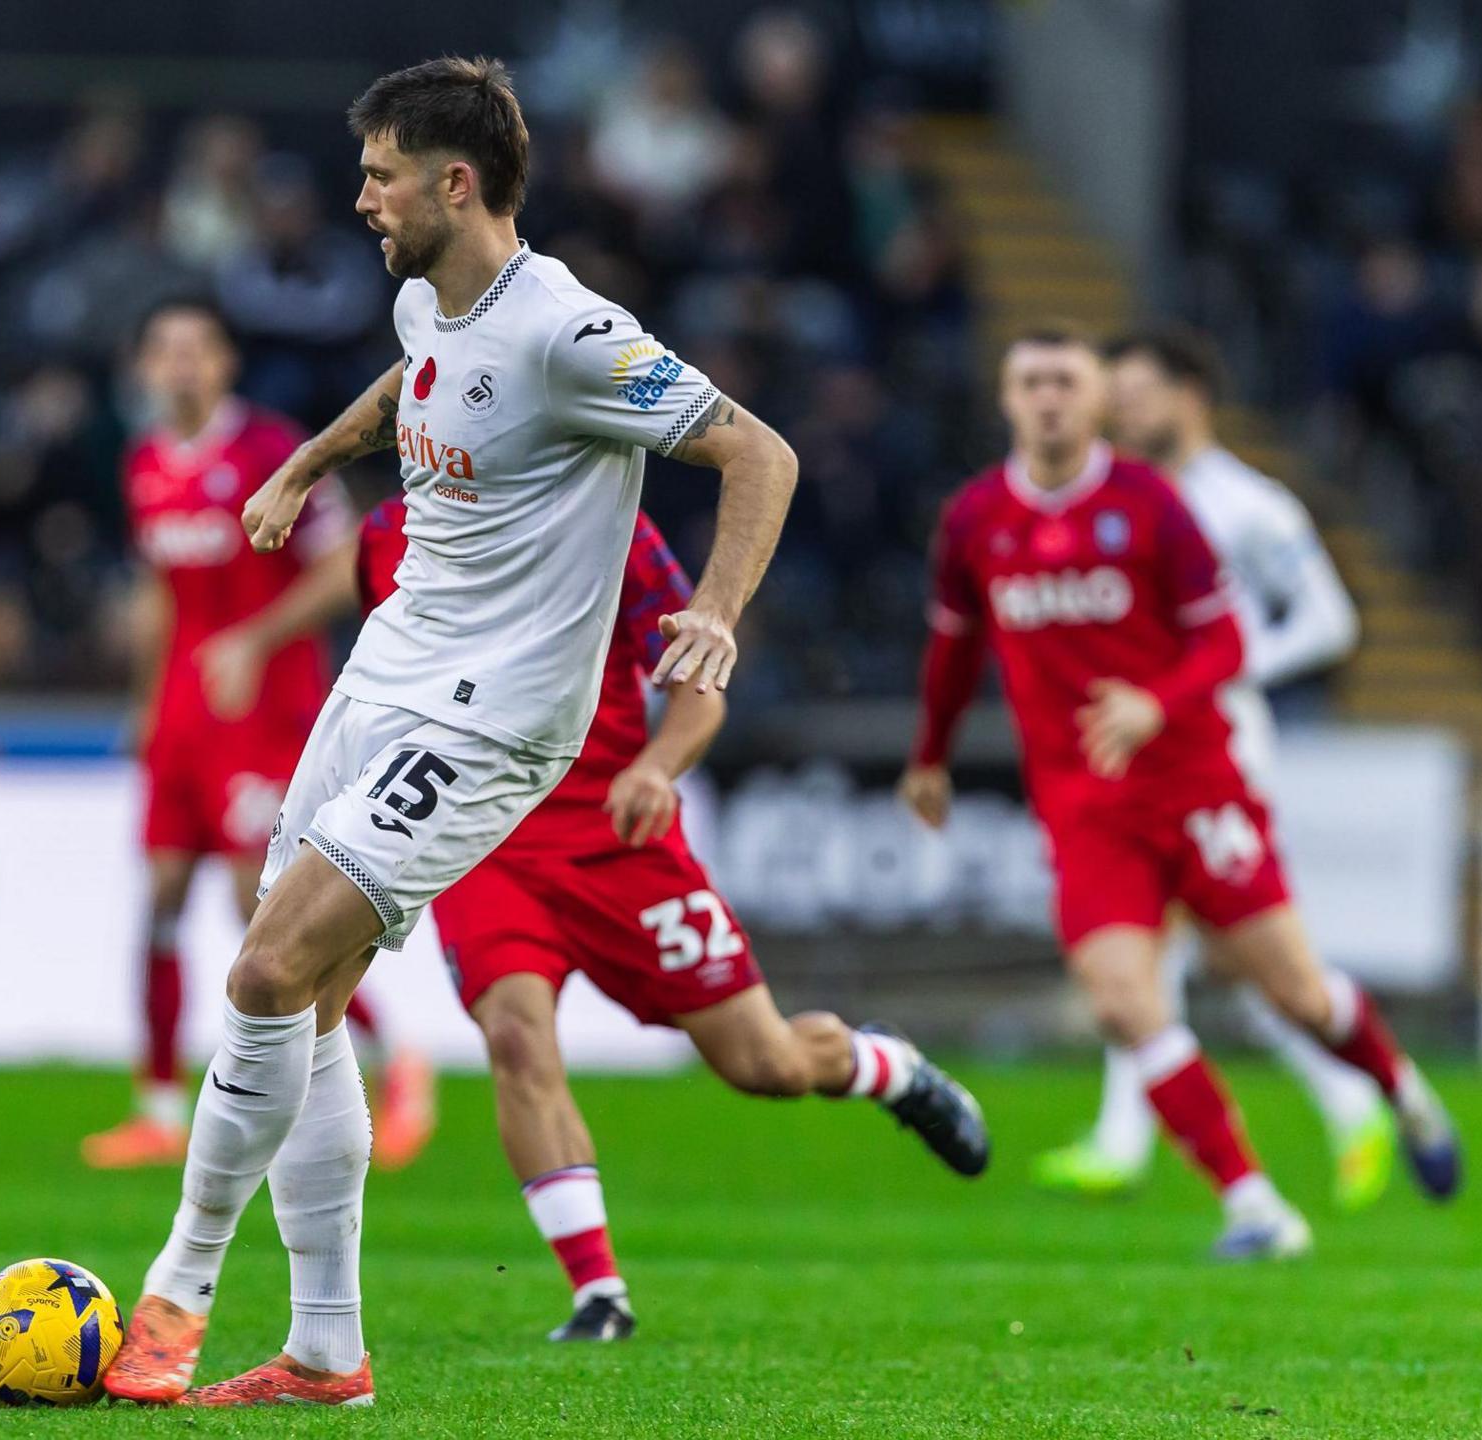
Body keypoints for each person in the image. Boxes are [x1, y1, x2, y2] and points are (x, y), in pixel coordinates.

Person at [105, 57, 807, 1408]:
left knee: (265, 971)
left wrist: (716, 610)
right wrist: (312, 459)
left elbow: (759, 452)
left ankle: (176, 1294)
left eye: (381, 176)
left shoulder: (570, 334)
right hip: (382, 677)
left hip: (494, 720)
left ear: (456, 182)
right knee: (302, 1003)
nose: (361, 199)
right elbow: (412, 379)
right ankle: (326, 1354)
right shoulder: (426, 296)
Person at [360, 494, 984, 1342]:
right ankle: (599, 1293)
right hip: (485, 839)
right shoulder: (391, 532)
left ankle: (886, 1066)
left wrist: (657, 766)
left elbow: (701, 689)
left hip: (618, 833)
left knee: (764, 1063)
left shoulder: (609, 521)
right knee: (515, 1037)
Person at [900, 325, 1461, 1263]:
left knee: (1293, 993)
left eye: (1067, 381)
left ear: (1095, 401)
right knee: (1124, 1000)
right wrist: (930, 757)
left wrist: (1156, 704)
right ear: (1005, 397)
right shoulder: (974, 519)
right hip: (1084, 805)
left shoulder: (1158, 504)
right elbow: (955, 646)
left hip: (1195, 783)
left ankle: (1400, 1091)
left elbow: (1229, 640)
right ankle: (1253, 1205)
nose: (1048, 399)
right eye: (1031, 382)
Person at [1035, 326, 1388, 1209]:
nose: (1121, 413)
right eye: (1114, 399)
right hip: (1135, 750)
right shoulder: (1117, 500)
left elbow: (1330, 621)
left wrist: (1221, 671)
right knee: (1159, 952)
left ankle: (1338, 1103)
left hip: (1219, 747)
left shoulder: (1250, 506)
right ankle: (1334, 1105)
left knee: (1197, 955)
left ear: (1189, 396)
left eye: (1136, 395)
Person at [86, 298, 436, 1173]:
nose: (181, 365)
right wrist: (146, 702)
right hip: (183, 714)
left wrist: (255, 640)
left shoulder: (271, 451)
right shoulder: (144, 462)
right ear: (144, 368)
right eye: (165, 349)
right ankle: (158, 1107)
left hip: (265, 713)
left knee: (264, 909)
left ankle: (397, 1061)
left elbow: (345, 565)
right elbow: (159, 589)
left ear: (226, 363)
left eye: (197, 348)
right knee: (162, 899)